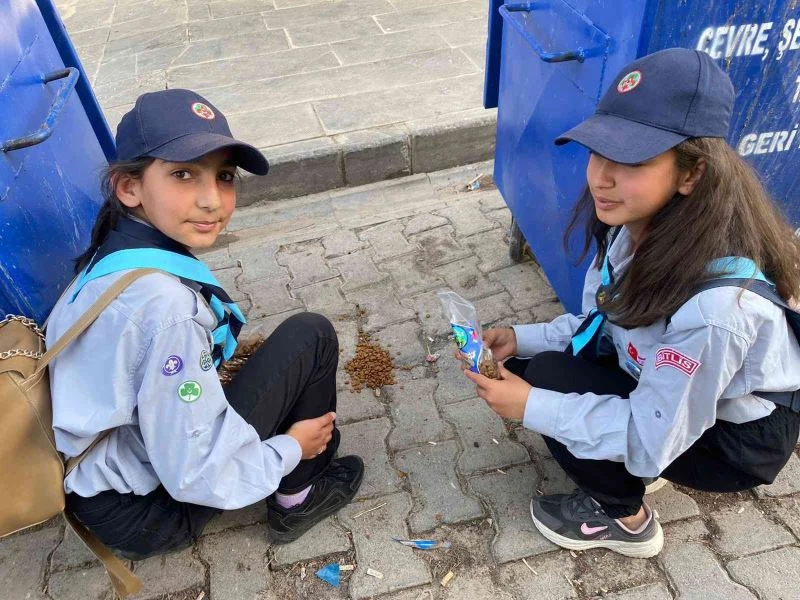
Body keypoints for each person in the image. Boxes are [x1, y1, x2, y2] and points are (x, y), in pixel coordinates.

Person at [463, 48, 800, 558]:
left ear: (692, 175)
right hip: (684, 394)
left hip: (738, 442)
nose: (601, 176)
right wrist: (519, 337)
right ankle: (652, 447)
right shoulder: (632, 231)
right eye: (599, 151)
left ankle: (626, 520)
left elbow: (647, 437)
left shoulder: (716, 310)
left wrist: (532, 407)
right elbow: (601, 324)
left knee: (544, 385)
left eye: (631, 160)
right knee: (531, 362)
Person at [47, 89, 363, 560]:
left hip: (96, 479)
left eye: (224, 177)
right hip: (145, 514)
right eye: (182, 174)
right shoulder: (167, 307)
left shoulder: (111, 252)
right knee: (312, 335)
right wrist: (291, 448)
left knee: (296, 342)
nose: (212, 199)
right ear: (129, 187)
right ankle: (300, 496)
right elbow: (195, 472)